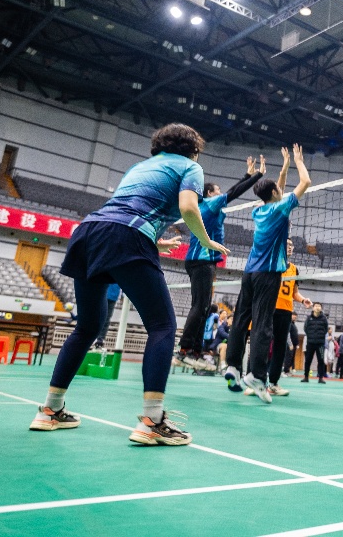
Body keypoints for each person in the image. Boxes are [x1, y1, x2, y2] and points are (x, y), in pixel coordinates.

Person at [31, 124, 227, 446]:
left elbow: (123, 210)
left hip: (89, 231)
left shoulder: (140, 166)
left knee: (86, 328)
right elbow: (188, 208)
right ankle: (153, 422)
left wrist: (155, 242)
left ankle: (50, 411)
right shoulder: (190, 167)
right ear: (193, 149)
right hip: (126, 236)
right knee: (162, 325)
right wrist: (205, 241)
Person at [223, 144, 311, 404]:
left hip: (249, 273)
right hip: (268, 274)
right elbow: (305, 182)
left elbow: (278, 190)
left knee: (241, 321)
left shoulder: (258, 210)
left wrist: (283, 169)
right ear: (274, 193)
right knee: (263, 325)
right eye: (278, 190)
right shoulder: (280, 209)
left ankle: (233, 367)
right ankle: (257, 375)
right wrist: (298, 161)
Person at [178, 156, 264, 371]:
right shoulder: (209, 203)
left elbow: (230, 191)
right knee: (200, 306)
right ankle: (184, 349)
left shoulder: (207, 205)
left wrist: (247, 175)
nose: (220, 193)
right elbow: (233, 193)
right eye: (217, 190)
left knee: (205, 307)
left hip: (203, 261)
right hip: (201, 260)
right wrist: (257, 176)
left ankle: (195, 351)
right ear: (209, 193)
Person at [264, 239, 312, 396]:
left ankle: (273, 383)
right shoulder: (271, 263)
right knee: (263, 344)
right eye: (287, 245)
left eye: (291, 245)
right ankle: (256, 380)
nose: (290, 247)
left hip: (285, 312)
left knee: (280, 347)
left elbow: (294, 292)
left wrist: (303, 300)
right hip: (269, 308)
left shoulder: (294, 269)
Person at [301, 303, 329, 384]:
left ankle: (321, 378)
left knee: (321, 360)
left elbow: (326, 329)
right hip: (310, 343)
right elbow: (305, 328)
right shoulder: (308, 318)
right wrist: (310, 336)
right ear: (313, 308)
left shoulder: (324, 318)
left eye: (319, 306)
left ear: (321, 308)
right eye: (316, 306)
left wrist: (320, 336)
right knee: (308, 360)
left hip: (320, 344)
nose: (317, 307)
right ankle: (306, 377)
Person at [93, 282, 120, 350]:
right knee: (101, 318)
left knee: (105, 319)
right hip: (104, 293)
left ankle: (100, 339)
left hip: (111, 295)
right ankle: (98, 339)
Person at [283, 312, 299, 377]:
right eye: (293, 315)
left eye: (295, 316)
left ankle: (288, 370)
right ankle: (285, 371)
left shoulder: (293, 325)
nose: (294, 317)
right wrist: (290, 343)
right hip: (289, 344)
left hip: (294, 345)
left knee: (291, 358)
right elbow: (288, 334)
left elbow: (295, 335)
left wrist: (297, 344)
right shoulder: (289, 323)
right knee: (288, 357)